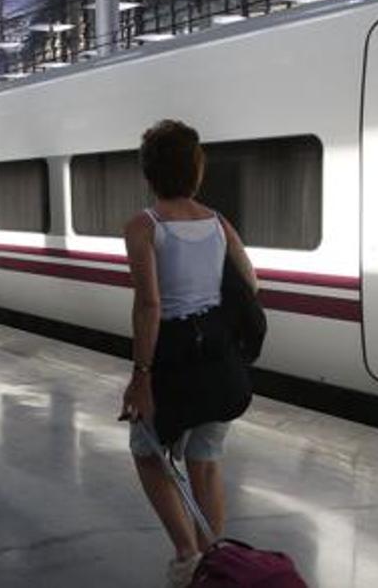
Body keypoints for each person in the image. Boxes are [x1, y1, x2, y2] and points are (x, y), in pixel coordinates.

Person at [120, 120, 257, 588]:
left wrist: (140, 376)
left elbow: (150, 304)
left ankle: (187, 556)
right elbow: (250, 285)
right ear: (196, 171)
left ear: (149, 173)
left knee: (145, 450)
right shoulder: (219, 223)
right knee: (206, 456)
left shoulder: (144, 226)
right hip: (220, 364)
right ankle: (210, 563)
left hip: (173, 362)